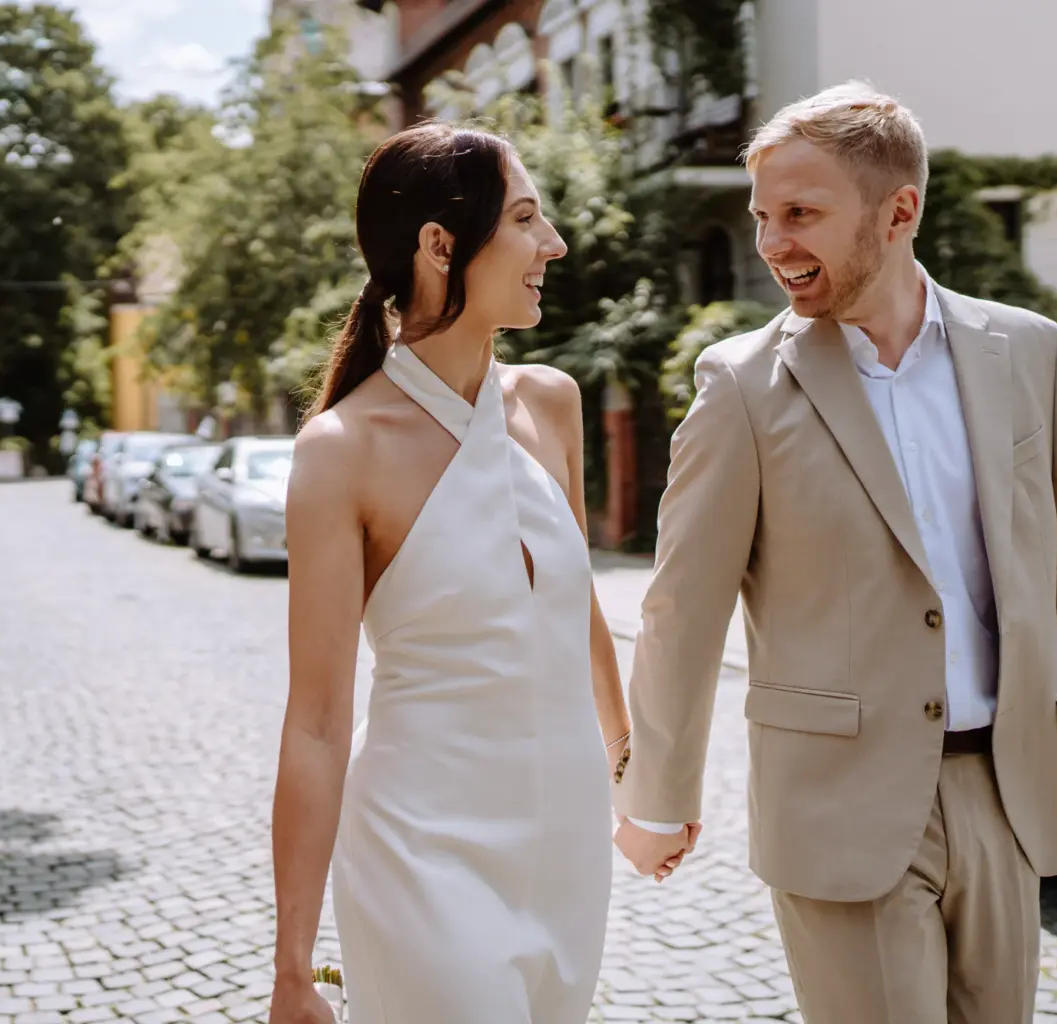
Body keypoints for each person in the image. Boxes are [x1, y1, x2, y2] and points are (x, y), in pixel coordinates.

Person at [611, 81, 1057, 1023]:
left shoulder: (1028, 351)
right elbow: (683, 608)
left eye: (801, 213)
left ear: (899, 210)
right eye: (763, 216)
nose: (772, 244)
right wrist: (658, 795)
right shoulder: (742, 386)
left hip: (1008, 791)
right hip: (839, 804)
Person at [268, 124, 674, 1024]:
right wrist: (292, 966)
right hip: (423, 852)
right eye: (526, 218)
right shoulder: (341, 452)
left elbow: (577, 622)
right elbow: (318, 724)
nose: (553, 244)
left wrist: (638, 786)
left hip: (565, 849)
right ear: (440, 245)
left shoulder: (550, 405)